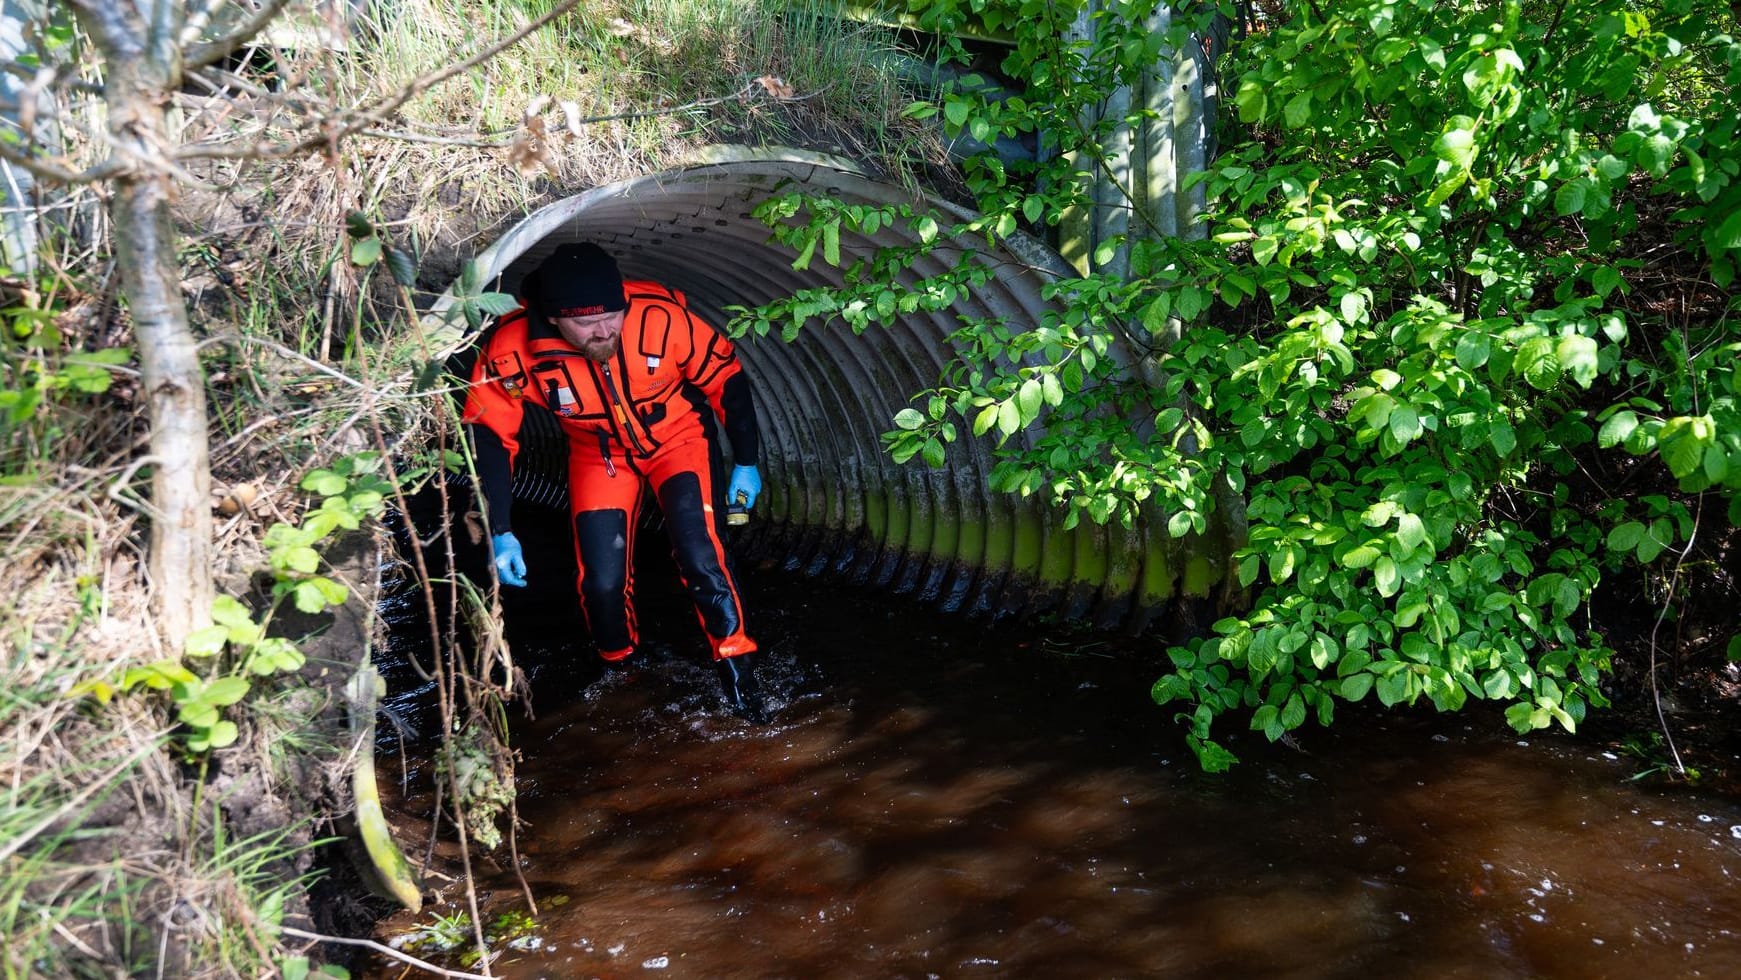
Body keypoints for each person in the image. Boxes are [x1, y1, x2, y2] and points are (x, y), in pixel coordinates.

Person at [459, 242, 769, 722]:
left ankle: (739, 673)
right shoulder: (511, 349)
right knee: (600, 582)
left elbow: (726, 379)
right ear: (555, 317)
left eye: (612, 315)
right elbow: (492, 436)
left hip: (678, 437)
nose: (604, 330)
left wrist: (746, 460)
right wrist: (500, 528)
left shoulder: (661, 319)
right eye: (587, 323)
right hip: (598, 452)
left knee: (701, 554)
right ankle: (622, 670)